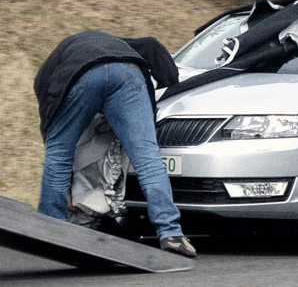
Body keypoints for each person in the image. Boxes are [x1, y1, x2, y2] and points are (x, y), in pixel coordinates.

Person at [33, 30, 196, 258]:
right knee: (147, 158)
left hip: (82, 73)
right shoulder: (123, 44)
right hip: (129, 72)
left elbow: (50, 120)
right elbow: (152, 44)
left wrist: (65, 180)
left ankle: (50, 228)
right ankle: (171, 233)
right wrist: (170, 82)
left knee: (59, 153)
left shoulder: (53, 66)